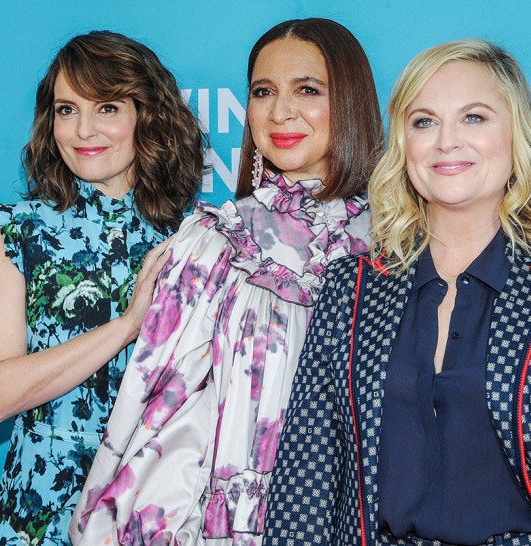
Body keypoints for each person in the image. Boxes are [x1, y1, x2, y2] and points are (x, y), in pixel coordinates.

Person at [264, 39, 531, 546]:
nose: (446, 141)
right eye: (424, 121)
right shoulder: (352, 287)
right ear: (403, 145)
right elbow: (306, 480)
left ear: (518, 134)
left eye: (474, 118)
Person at [69, 17, 382, 546]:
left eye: (307, 90)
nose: (280, 111)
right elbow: (159, 417)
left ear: (351, 102)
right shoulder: (215, 245)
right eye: (263, 92)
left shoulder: (406, 247)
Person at [0, 30, 205, 545]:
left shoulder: (192, 241)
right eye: (66, 109)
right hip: (33, 520)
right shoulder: (17, 231)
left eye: (106, 107)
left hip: (146, 524)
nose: (82, 130)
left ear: (146, 115)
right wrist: (126, 326)